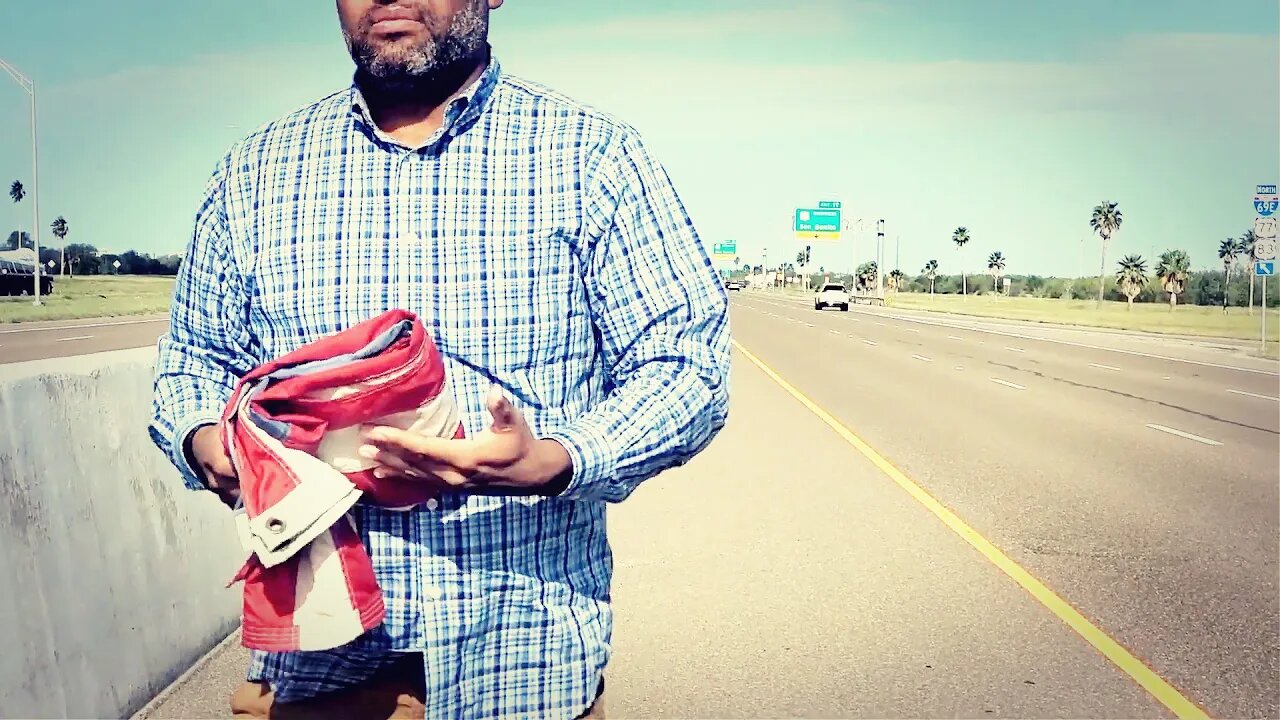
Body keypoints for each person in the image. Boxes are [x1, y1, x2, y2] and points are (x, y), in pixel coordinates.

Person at [147, 0, 731, 718]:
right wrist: (212, 442)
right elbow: (192, 363)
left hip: (525, 668)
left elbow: (687, 364)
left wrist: (556, 460)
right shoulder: (253, 174)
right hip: (317, 676)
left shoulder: (592, 156)